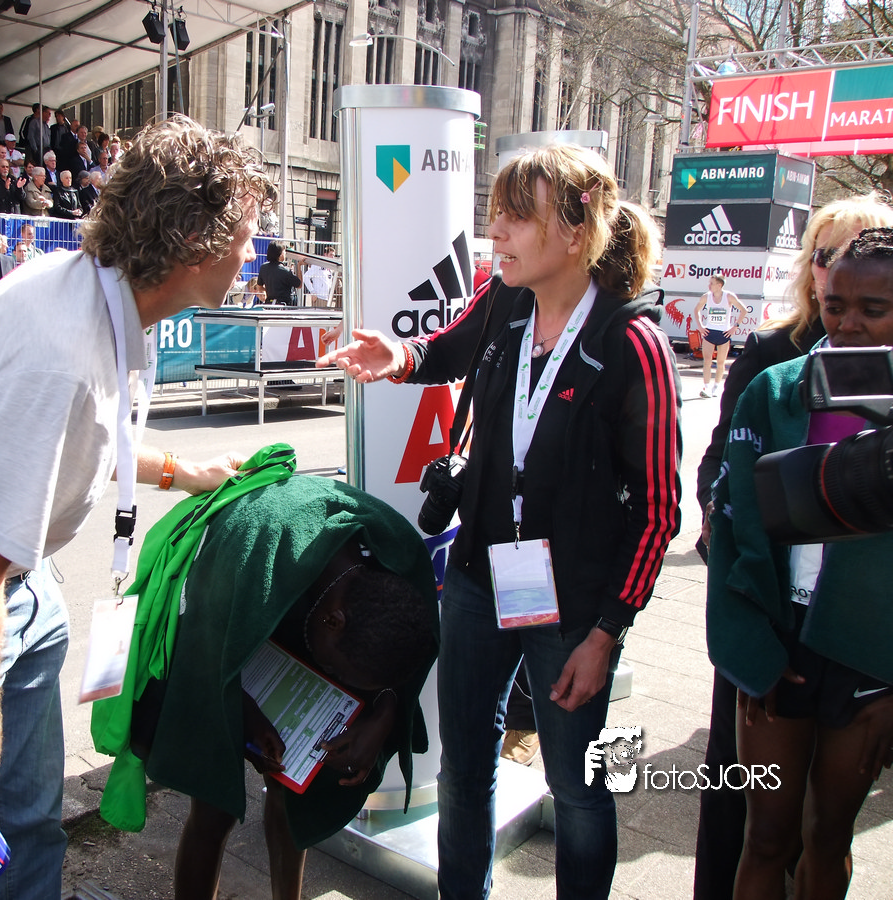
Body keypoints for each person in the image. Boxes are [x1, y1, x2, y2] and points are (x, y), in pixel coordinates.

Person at [0, 115, 277, 899]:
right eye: (245, 236)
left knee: (27, 827)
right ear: (194, 245)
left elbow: (86, 437)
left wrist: (181, 471)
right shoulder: (59, 353)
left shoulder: (93, 296)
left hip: (19, 589)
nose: (253, 253)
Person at [319, 143, 681, 900]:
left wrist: (605, 632)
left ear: (575, 232)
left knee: (577, 787)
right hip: (481, 580)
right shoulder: (505, 300)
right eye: (496, 215)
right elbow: (444, 351)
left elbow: (658, 512)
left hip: (574, 607)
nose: (497, 233)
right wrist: (397, 355)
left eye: (517, 217)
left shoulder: (632, 344)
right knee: (463, 770)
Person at [91, 464, 439, 900]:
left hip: (301, 613)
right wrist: (246, 715)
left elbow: (399, 666)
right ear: (332, 621)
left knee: (294, 783)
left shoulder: (394, 569)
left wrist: (383, 712)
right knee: (212, 805)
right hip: (228, 611)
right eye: (338, 674)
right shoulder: (247, 557)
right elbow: (200, 663)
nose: (334, 683)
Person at [691, 193, 893, 900]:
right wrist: (751, 650)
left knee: (828, 837)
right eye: (836, 305)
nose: (849, 323)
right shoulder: (774, 390)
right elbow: (732, 527)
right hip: (779, 643)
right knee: (765, 836)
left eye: (874, 309)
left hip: (866, 655)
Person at [692, 274, 747, 398]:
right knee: (707, 361)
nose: (709, 285)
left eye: (711, 283)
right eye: (709, 283)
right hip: (709, 332)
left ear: (719, 285)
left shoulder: (729, 296)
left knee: (720, 363)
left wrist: (735, 327)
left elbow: (744, 310)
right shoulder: (706, 296)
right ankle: (706, 387)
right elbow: (696, 310)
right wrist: (700, 326)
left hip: (724, 333)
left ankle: (716, 388)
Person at [257, 242, 302, 306]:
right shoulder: (285, 271)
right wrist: (299, 266)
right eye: (284, 252)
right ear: (280, 255)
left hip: (269, 303)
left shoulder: (263, 268)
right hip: (285, 305)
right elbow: (299, 284)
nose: (285, 254)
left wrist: (269, 292)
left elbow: (259, 286)